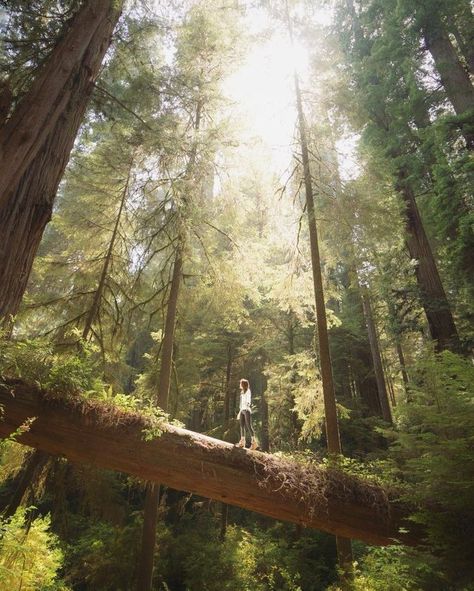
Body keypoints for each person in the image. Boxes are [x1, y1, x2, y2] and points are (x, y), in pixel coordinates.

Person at [236, 378, 257, 449]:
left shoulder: (248, 391)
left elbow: (248, 401)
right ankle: (242, 442)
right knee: (242, 426)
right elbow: (241, 403)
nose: (240, 384)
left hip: (246, 410)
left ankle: (254, 443)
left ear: (244, 384)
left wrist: (246, 408)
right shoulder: (242, 392)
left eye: (241, 383)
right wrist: (240, 411)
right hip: (242, 410)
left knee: (249, 426)